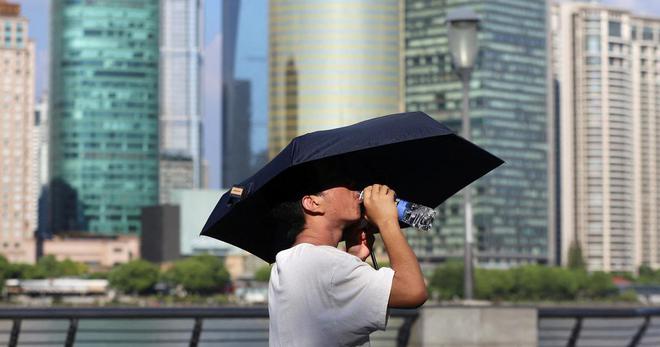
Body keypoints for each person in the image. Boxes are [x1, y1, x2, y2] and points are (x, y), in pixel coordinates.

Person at [268, 183, 428, 346]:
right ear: (313, 203)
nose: (355, 189)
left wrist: (353, 258)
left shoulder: (285, 261)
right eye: (342, 183)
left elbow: (327, 316)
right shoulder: (328, 263)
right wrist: (387, 221)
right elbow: (413, 291)